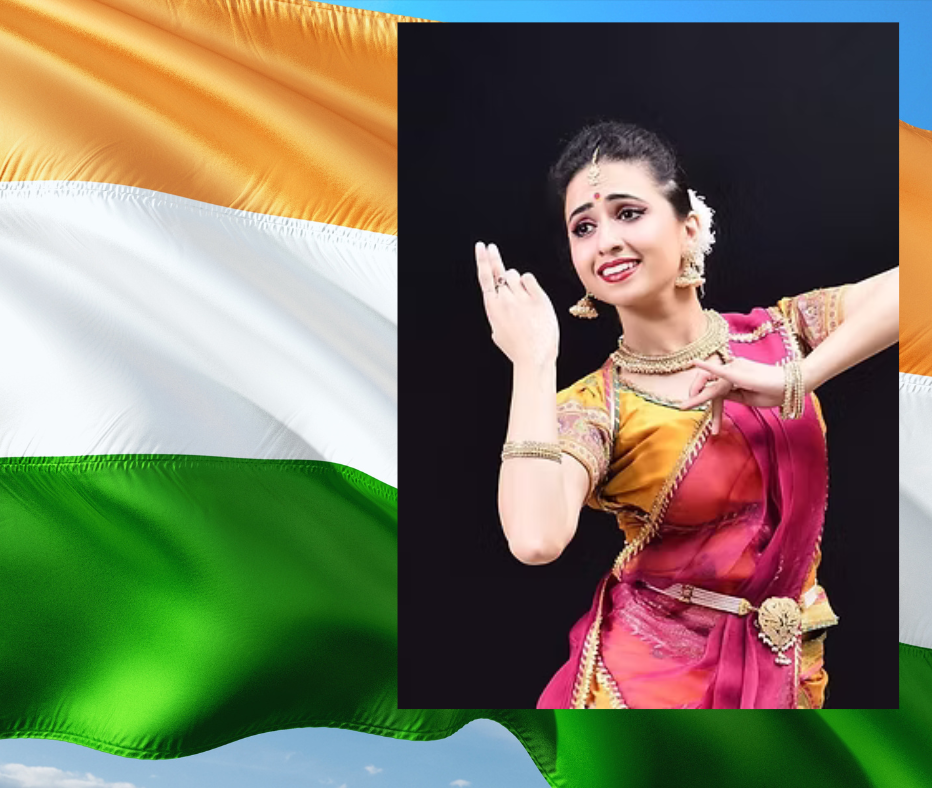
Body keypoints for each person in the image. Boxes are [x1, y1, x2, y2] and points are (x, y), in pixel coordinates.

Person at [475, 121, 898, 709]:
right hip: (648, 688)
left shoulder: (776, 335)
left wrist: (791, 379)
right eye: (584, 228)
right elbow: (536, 539)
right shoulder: (598, 406)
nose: (605, 242)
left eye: (628, 213)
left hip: (790, 675)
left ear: (689, 226)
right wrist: (533, 361)